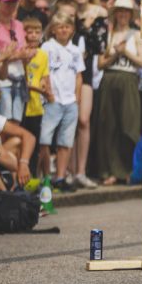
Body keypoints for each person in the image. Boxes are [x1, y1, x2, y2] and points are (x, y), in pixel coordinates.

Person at [58, 0, 108, 189]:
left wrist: (87, 26)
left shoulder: (99, 13)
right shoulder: (66, 11)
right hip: (66, 70)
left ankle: (81, 170)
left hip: (86, 69)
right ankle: (67, 170)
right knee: (69, 120)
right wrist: (84, 25)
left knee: (84, 120)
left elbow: (100, 46)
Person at [95, 0, 142, 185]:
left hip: (129, 79)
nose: (123, 15)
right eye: (120, 11)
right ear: (115, 14)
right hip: (110, 77)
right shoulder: (107, 34)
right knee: (109, 125)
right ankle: (110, 170)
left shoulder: (137, 34)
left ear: (130, 14)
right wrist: (115, 53)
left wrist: (126, 52)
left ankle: (128, 169)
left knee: (129, 125)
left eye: (126, 12)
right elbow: (100, 64)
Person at [38, 13, 84, 192]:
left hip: (70, 101)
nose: (64, 30)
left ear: (72, 30)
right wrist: (48, 93)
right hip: (53, 99)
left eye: (67, 27)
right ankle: (45, 175)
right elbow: (44, 72)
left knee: (66, 141)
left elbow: (79, 75)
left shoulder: (75, 50)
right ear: (54, 30)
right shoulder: (47, 47)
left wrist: (77, 97)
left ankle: (60, 176)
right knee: (45, 139)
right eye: (60, 27)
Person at [0, 0, 30, 122]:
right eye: (7, 2)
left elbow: (24, 49)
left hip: (19, 77)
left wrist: (27, 54)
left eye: (14, 2)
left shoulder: (19, 25)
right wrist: (16, 56)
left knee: (17, 122)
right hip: (3, 79)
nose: (11, 6)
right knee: (4, 122)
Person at [21, 16, 50, 175]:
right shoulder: (20, 53)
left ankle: (32, 176)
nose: (32, 35)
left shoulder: (43, 54)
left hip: (37, 106)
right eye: (29, 31)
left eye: (36, 32)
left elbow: (44, 77)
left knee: (35, 144)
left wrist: (45, 87)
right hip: (23, 104)